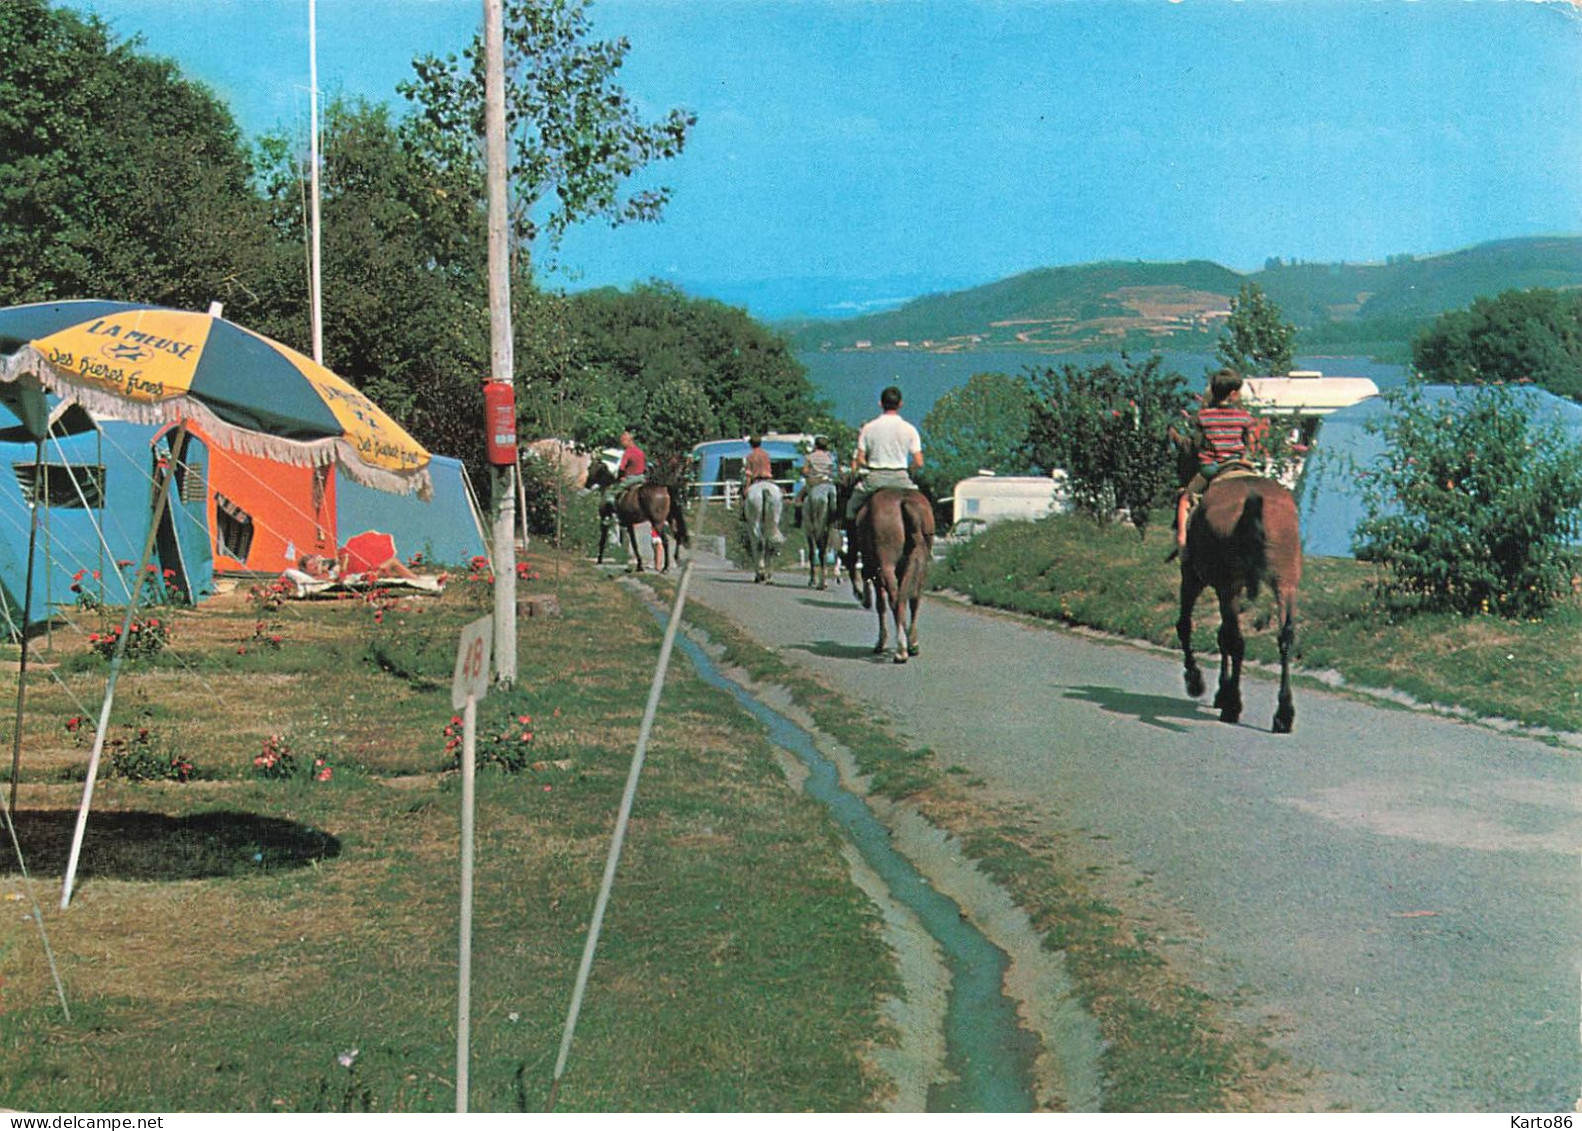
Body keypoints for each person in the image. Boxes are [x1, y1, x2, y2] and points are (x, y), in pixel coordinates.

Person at [1174, 367, 1257, 550]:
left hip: (1212, 468)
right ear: (1234, 394)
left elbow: (1197, 444)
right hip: (1239, 465)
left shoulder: (1203, 417)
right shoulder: (1244, 417)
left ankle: (1182, 541)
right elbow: (1251, 444)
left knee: (1185, 500)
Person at [845, 385, 923, 522]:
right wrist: (909, 470)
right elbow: (919, 462)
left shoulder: (868, 428)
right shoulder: (910, 429)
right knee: (921, 509)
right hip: (901, 478)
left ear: (880, 404)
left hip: (875, 478)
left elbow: (860, 459)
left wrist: (867, 465)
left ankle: (850, 538)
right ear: (900, 404)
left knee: (851, 509)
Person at [740, 434, 784, 543]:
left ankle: (742, 514)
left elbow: (749, 474)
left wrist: (746, 487)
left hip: (756, 480)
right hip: (768, 479)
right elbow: (769, 470)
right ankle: (776, 524)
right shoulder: (766, 455)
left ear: (751, 444)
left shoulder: (750, 457)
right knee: (779, 496)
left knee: (743, 497)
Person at [602, 429, 647, 531]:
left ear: (629, 441)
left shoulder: (628, 452)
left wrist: (620, 477)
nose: (622, 444)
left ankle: (613, 515)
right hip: (642, 477)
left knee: (610, 493)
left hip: (631, 478)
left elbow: (622, 468)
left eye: (623, 441)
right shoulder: (640, 452)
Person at [791, 435, 837, 526]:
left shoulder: (809, 457)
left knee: (798, 499)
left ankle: (798, 521)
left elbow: (805, 471)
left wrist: (806, 473)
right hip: (828, 482)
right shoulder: (830, 457)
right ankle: (835, 520)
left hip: (815, 483)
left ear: (815, 446)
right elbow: (832, 470)